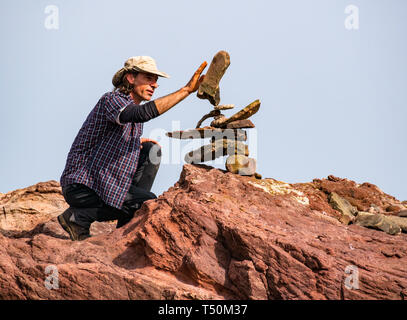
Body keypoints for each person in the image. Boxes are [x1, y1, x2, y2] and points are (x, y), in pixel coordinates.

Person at [58, 56, 207, 241]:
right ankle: (77, 218)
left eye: (156, 80)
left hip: (104, 185)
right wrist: (185, 91)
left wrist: (136, 144)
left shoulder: (133, 119)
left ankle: (125, 229)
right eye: (148, 78)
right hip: (82, 186)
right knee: (146, 203)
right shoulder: (112, 100)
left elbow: (133, 120)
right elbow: (140, 114)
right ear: (130, 78)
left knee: (151, 150)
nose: (155, 85)